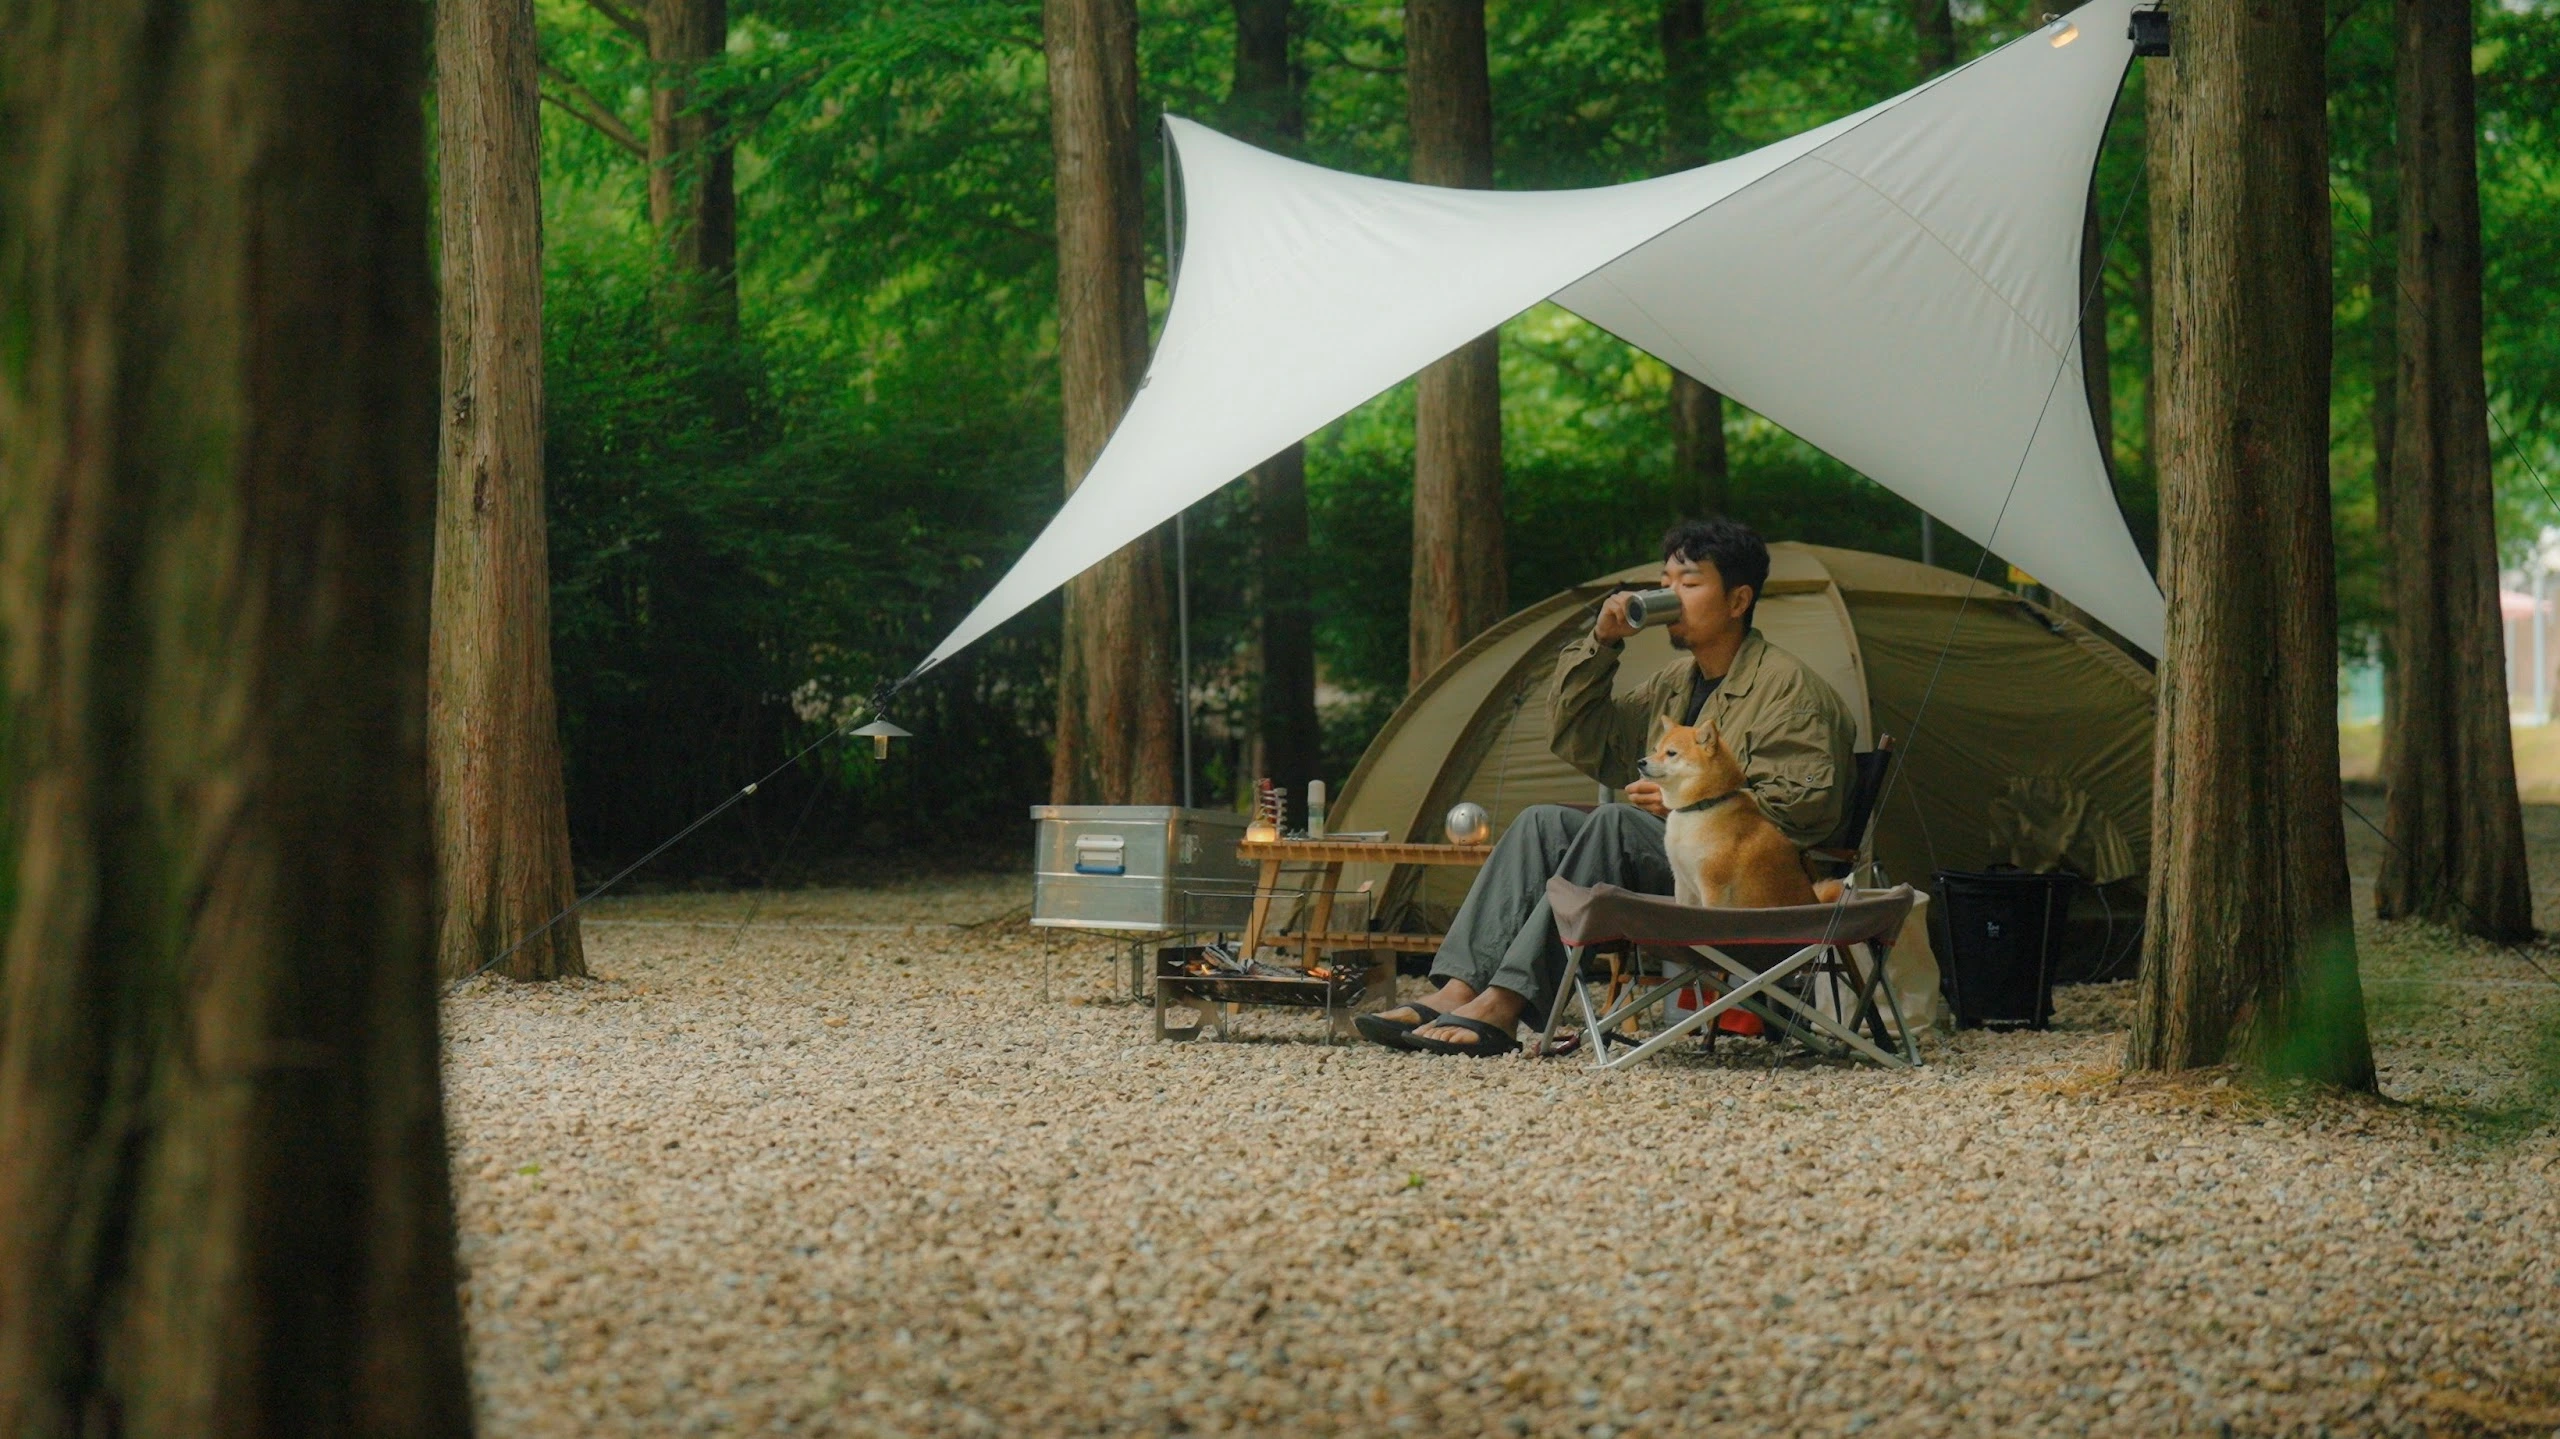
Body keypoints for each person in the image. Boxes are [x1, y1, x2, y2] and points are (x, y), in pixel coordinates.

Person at [1360, 517, 1857, 1055]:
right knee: (1541, 822)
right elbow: (1582, 737)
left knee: (1615, 822)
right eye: (1664, 583)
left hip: (1744, 888)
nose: (1671, 595)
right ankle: (1460, 989)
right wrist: (1601, 643)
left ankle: (1505, 1003)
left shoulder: (1788, 691)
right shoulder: (1676, 684)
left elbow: (1803, 811)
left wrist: (1685, 805)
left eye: (1689, 583)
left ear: (1738, 600)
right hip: (1681, 864)